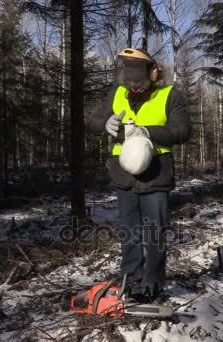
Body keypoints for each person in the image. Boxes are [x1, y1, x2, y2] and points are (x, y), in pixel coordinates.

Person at [87, 48, 190, 302]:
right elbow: (92, 122)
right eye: (129, 81)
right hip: (124, 177)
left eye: (139, 81)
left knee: (154, 235)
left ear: (153, 73)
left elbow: (183, 131)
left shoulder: (169, 95)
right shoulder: (116, 93)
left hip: (156, 176)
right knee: (129, 234)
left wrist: (148, 131)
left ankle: (153, 284)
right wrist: (105, 124)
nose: (134, 86)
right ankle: (131, 280)